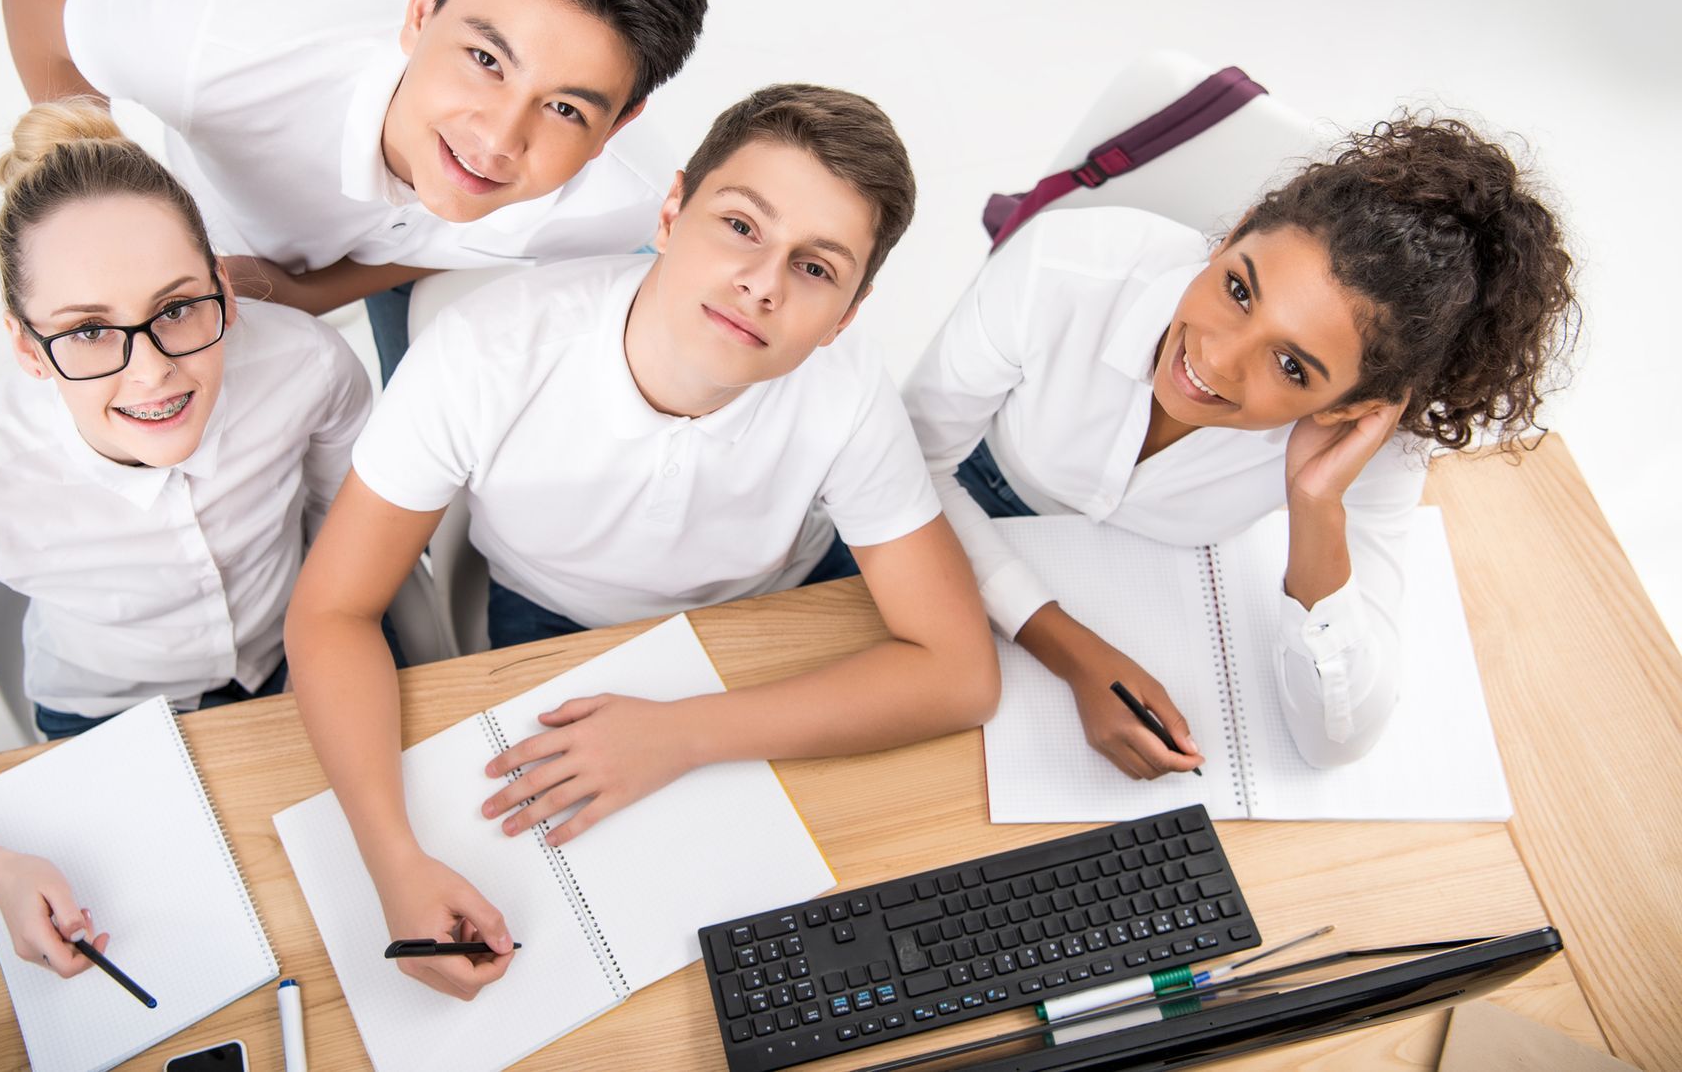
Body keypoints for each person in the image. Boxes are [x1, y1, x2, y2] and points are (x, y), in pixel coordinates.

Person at [285, 84, 1000, 1000]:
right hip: (563, 621)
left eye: (817, 269)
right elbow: (334, 610)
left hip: (768, 613)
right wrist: (392, 862)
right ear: (671, 211)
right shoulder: (483, 353)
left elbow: (958, 672)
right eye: (741, 226)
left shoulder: (845, 388)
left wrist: (685, 734)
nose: (764, 284)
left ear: (847, 317)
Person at [0, 100, 371, 979]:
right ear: (25, 346)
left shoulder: (308, 366)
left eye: (179, 308)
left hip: (294, 670)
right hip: (103, 728)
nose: (152, 369)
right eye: (89, 331)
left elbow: (348, 540)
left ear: (225, 289)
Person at [904, 114, 1579, 775]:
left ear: (1355, 406)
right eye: (1238, 289)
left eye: (1292, 367)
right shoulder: (1064, 268)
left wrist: (1316, 506)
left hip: (1129, 578)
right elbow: (909, 467)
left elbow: (1335, 742)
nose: (1217, 361)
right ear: (1234, 233)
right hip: (956, 495)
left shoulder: (1370, 445)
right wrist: (1073, 653)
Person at [0, 0, 707, 383]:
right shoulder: (228, 47)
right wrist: (102, 206)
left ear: (617, 126)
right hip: (198, 252)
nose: (496, 138)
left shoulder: (623, 206)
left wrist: (310, 292)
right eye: (486, 59)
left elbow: (431, 242)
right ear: (424, 5)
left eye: (563, 108)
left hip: (359, 272)